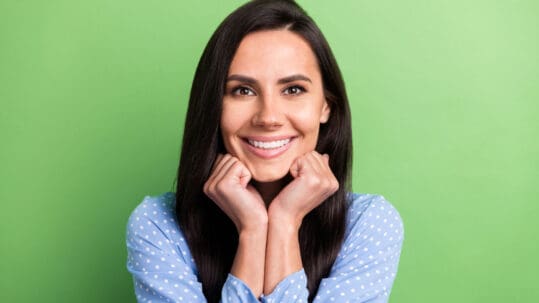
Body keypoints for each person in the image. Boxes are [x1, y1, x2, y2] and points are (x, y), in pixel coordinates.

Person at [126, 0, 404, 302]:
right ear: (213, 107)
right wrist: (253, 231)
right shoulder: (158, 224)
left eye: (293, 89)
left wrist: (285, 222)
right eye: (242, 91)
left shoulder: (369, 224)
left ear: (325, 106)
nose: (268, 117)